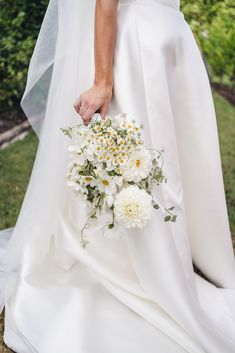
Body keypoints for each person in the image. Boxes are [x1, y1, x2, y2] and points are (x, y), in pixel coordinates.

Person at [0, 0, 235, 352]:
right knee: (148, 164)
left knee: (170, 162)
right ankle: (150, 263)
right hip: (146, 42)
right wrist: (102, 80)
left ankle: (173, 254)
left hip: (164, 41)